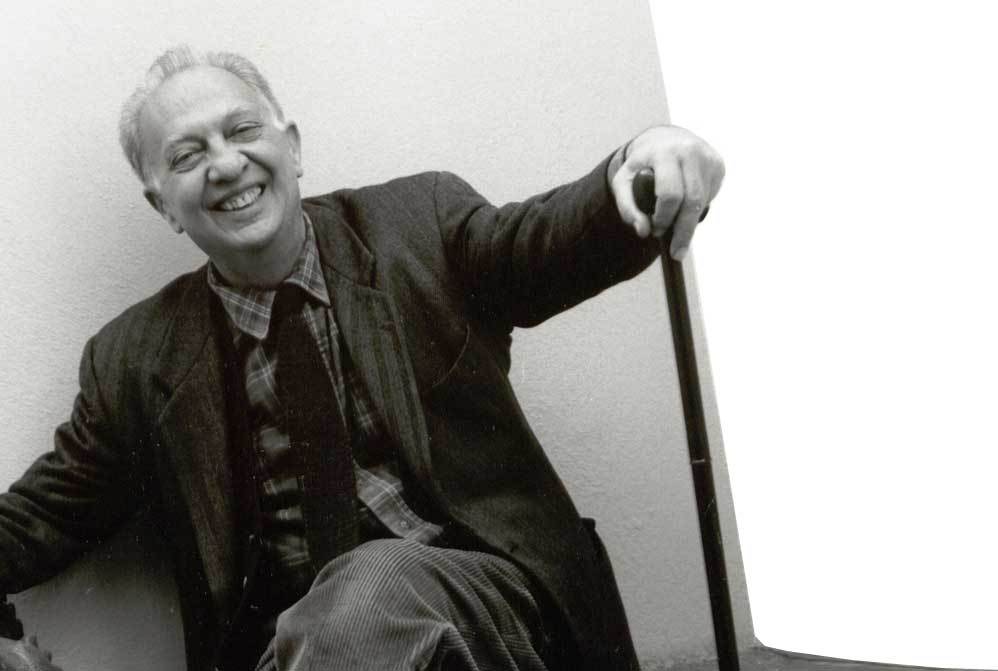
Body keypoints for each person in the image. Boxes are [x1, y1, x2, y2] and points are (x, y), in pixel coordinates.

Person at [0, 46, 724, 671]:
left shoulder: (419, 226)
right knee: (339, 619)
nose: (225, 163)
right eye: (187, 156)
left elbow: (545, 243)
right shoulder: (134, 359)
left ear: (292, 147)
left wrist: (642, 163)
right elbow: (43, 515)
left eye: (242, 130)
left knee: (369, 588)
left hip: (483, 614)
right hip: (288, 653)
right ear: (162, 203)